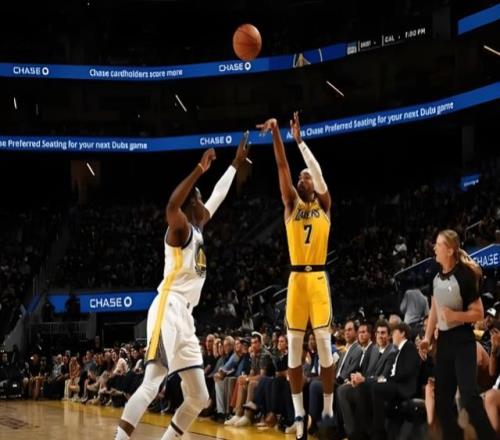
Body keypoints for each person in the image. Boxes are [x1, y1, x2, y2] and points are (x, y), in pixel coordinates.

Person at [114, 135, 250, 440]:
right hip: (168, 306)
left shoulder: (198, 229)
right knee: (152, 383)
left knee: (200, 397)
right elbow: (172, 204)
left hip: (186, 317)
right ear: (191, 204)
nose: (204, 204)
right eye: (199, 199)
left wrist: (235, 164)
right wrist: (199, 169)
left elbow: (218, 195)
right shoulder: (179, 229)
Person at [257, 112, 333, 439]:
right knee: (293, 350)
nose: (301, 180)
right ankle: (299, 414)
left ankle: (328, 411)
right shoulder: (291, 204)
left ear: (314, 183)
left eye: (306, 178)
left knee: (326, 348)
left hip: (318, 280)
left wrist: (301, 142)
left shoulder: (324, 205)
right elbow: (281, 166)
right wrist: (278, 133)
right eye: (300, 178)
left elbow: (316, 173)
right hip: (296, 281)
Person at [419, 229, 496, 439]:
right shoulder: (435, 277)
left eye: (438, 244)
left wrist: (455, 316)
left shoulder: (465, 276)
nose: (434, 248)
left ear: (450, 250)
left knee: (469, 398)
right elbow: (434, 310)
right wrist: (427, 338)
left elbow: (478, 313)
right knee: (442, 402)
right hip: (444, 342)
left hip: (463, 340)